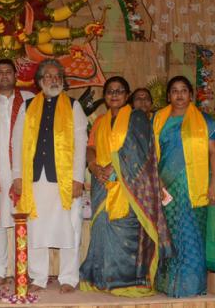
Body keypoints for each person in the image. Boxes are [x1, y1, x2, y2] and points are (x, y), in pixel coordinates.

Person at [80, 77, 171, 296]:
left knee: (128, 230)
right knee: (102, 227)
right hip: (101, 182)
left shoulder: (137, 118)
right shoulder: (100, 121)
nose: (114, 95)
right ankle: (103, 280)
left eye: (119, 91)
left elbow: (139, 151)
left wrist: (114, 168)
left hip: (129, 185)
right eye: (110, 91)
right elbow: (91, 147)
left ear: (127, 95)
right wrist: (93, 166)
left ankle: (130, 282)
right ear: (104, 96)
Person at [12, 59, 87, 293]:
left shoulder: (73, 106)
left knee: (70, 227)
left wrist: (78, 178)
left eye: (57, 76)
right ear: (40, 81)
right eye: (48, 76)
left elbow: (81, 143)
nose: (53, 80)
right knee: (36, 227)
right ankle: (38, 277)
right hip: (34, 178)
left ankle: (69, 277)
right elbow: (16, 142)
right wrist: (17, 176)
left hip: (64, 180)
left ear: (62, 80)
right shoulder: (27, 106)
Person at [152, 75, 215, 297]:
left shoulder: (205, 121)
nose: (179, 95)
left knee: (192, 235)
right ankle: (168, 285)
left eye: (184, 90)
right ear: (168, 96)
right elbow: (151, 152)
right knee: (169, 234)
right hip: (166, 187)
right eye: (174, 91)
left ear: (191, 95)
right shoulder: (158, 120)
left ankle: (191, 288)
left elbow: (214, 152)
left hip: (195, 188)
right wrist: (156, 180)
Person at [0, 59, 34, 289]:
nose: (4, 75)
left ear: (16, 75)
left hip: (23, 169)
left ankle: (23, 270)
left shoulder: (29, 99)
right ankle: (0, 271)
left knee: (23, 219)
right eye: (0, 72)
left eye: (8, 72)